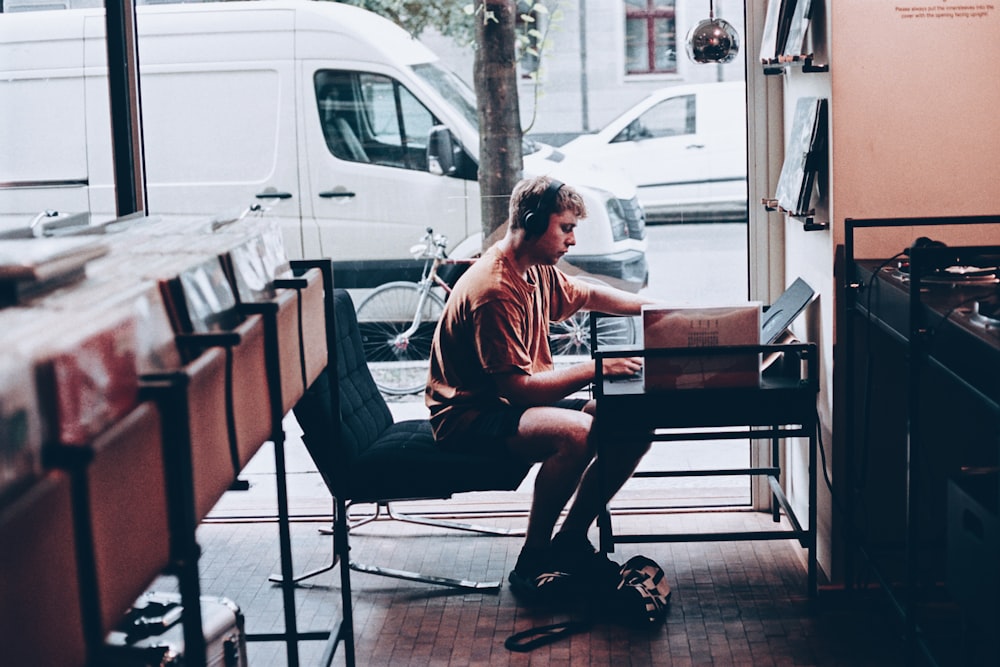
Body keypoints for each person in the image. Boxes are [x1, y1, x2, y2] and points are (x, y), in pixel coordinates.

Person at [425, 175, 657, 602]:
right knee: (576, 433)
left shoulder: (534, 269)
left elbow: (586, 293)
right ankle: (533, 559)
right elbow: (519, 392)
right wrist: (596, 369)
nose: (572, 240)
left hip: (503, 402)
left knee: (631, 424)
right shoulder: (495, 289)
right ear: (532, 223)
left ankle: (568, 542)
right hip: (468, 415)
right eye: (565, 228)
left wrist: (658, 309)